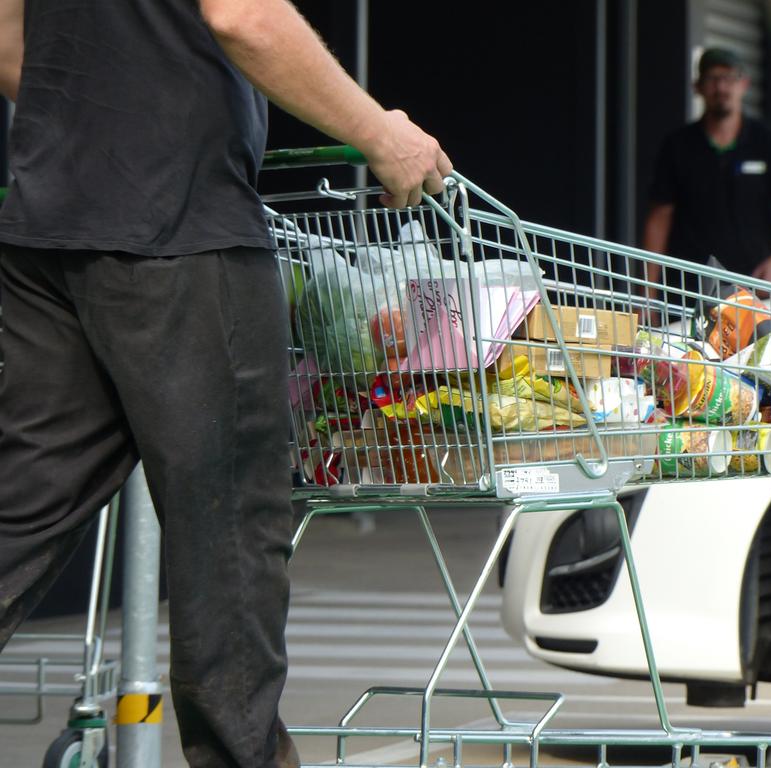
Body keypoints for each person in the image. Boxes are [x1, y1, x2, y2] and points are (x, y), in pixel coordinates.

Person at [0, 0, 451, 766]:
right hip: (178, 231)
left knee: (21, 508)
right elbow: (245, 15)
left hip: (50, 222)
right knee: (231, 532)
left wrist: (95, 123)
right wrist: (381, 133)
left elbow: (8, 30)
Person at [642, 47, 771, 307]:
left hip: (754, 291)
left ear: (743, 85)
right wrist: (647, 294)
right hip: (689, 291)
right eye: (712, 79)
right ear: (697, 87)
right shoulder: (678, 146)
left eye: (729, 78)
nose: (721, 87)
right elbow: (659, 219)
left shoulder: (765, 141)